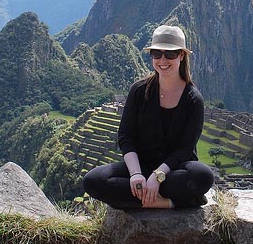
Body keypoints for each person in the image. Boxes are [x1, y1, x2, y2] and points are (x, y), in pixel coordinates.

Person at [82, 25, 214, 209]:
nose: (162, 60)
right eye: (156, 54)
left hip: (174, 170)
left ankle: (150, 201)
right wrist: (136, 175)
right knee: (93, 180)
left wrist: (158, 176)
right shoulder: (139, 91)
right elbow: (126, 137)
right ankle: (168, 201)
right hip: (141, 167)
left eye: (170, 54)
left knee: (202, 176)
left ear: (182, 56)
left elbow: (185, 149)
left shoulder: (193, 99)